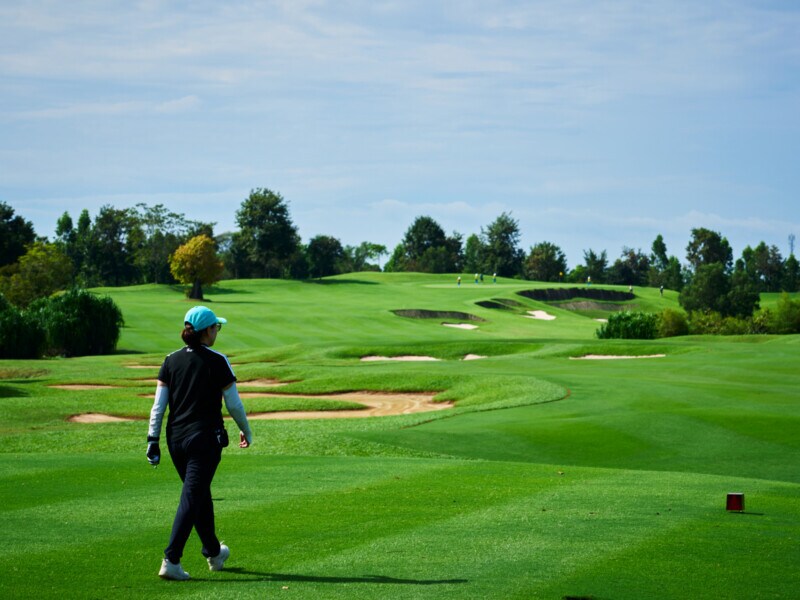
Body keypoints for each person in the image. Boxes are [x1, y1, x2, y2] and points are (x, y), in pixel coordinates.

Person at [146, 306, 253, 581]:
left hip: (175, 441)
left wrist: (152, 440)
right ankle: (171, 559)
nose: (218, 331)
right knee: (193, 496)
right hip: (204, 440)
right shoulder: (218, 360)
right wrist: (246, 431)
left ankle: (214, 552)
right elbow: (234, 404)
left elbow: (158, 407)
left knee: (198, 494)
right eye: (216, 327)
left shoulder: (170, 361)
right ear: (207, 330)